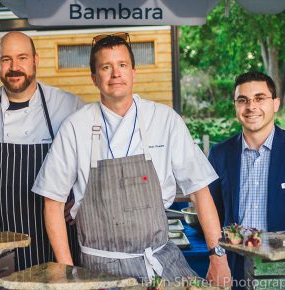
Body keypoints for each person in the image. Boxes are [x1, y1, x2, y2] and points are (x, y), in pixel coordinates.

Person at [32, 33, 231, 286]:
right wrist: (69, 275)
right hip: (100, 271)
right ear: (94, 78)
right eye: (106, 67)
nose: (116, 73)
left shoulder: (165, 120)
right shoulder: (75, 127)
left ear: (134, 72)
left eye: (122, 65)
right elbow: (52, 203)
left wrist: (218, 256)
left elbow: (199, 191)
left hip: (160, 262)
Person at [0, 31, 83, 270]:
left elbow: (93, 156)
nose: (14, 67)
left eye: (22, 58)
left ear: (36, 60)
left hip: (54, 241)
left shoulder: (68, 105)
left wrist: (79, 199)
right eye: (6, 59)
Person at [208, 71, 285, 288]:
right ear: (236, 106)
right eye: (243, 100)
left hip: (282, 269)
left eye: (260, 98)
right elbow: (214, 213)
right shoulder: (219, 154)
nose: (251, 107)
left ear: (276, 104)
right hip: (235, 268)